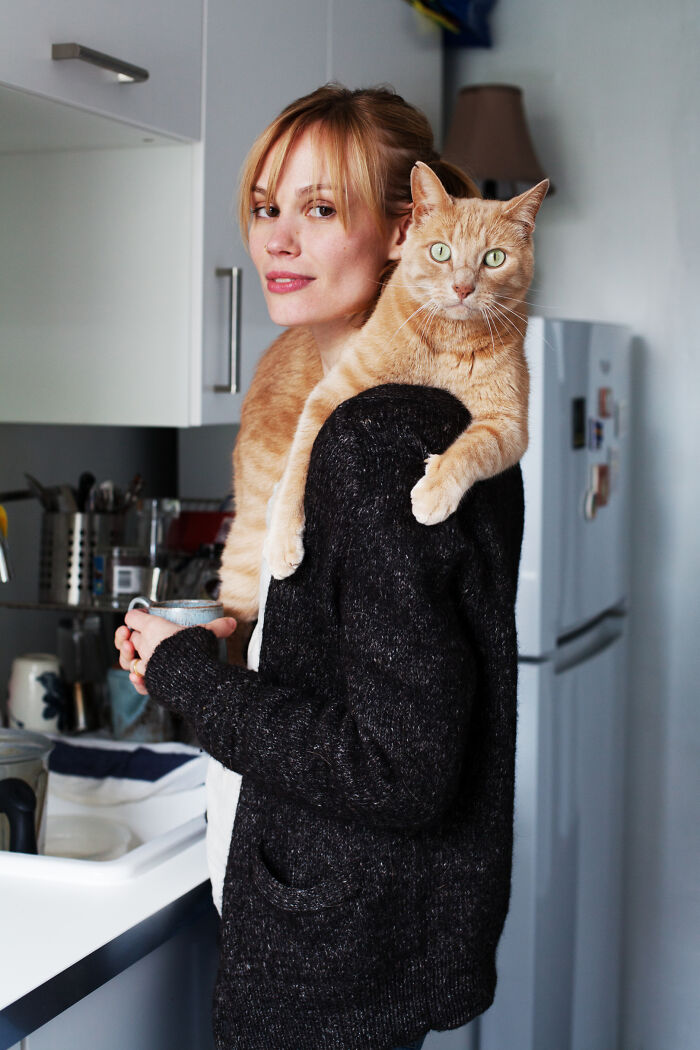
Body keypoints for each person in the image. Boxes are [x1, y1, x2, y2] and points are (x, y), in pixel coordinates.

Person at [115, 85, 524, 1050]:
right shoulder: (418, 408)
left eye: (323, 207)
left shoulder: (378, 440)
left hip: (332, 958)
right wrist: (231, 649)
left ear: (404, 229)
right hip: (365, 934)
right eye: (267, 207)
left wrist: (183, 675)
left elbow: (395, 770)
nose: (279, 240)